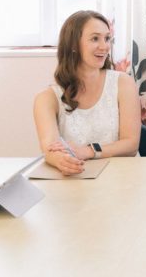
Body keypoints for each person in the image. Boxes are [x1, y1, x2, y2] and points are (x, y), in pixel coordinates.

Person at [33, 10, 140, 175]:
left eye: (107, 38)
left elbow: (131, 145)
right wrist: (61, 160)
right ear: (73, 45)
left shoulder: (123, 83)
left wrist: (88, 151)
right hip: (78, 178)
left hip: (124, 176)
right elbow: (50, 148)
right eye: (95, 38)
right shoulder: (46, 99)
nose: (104, 46)